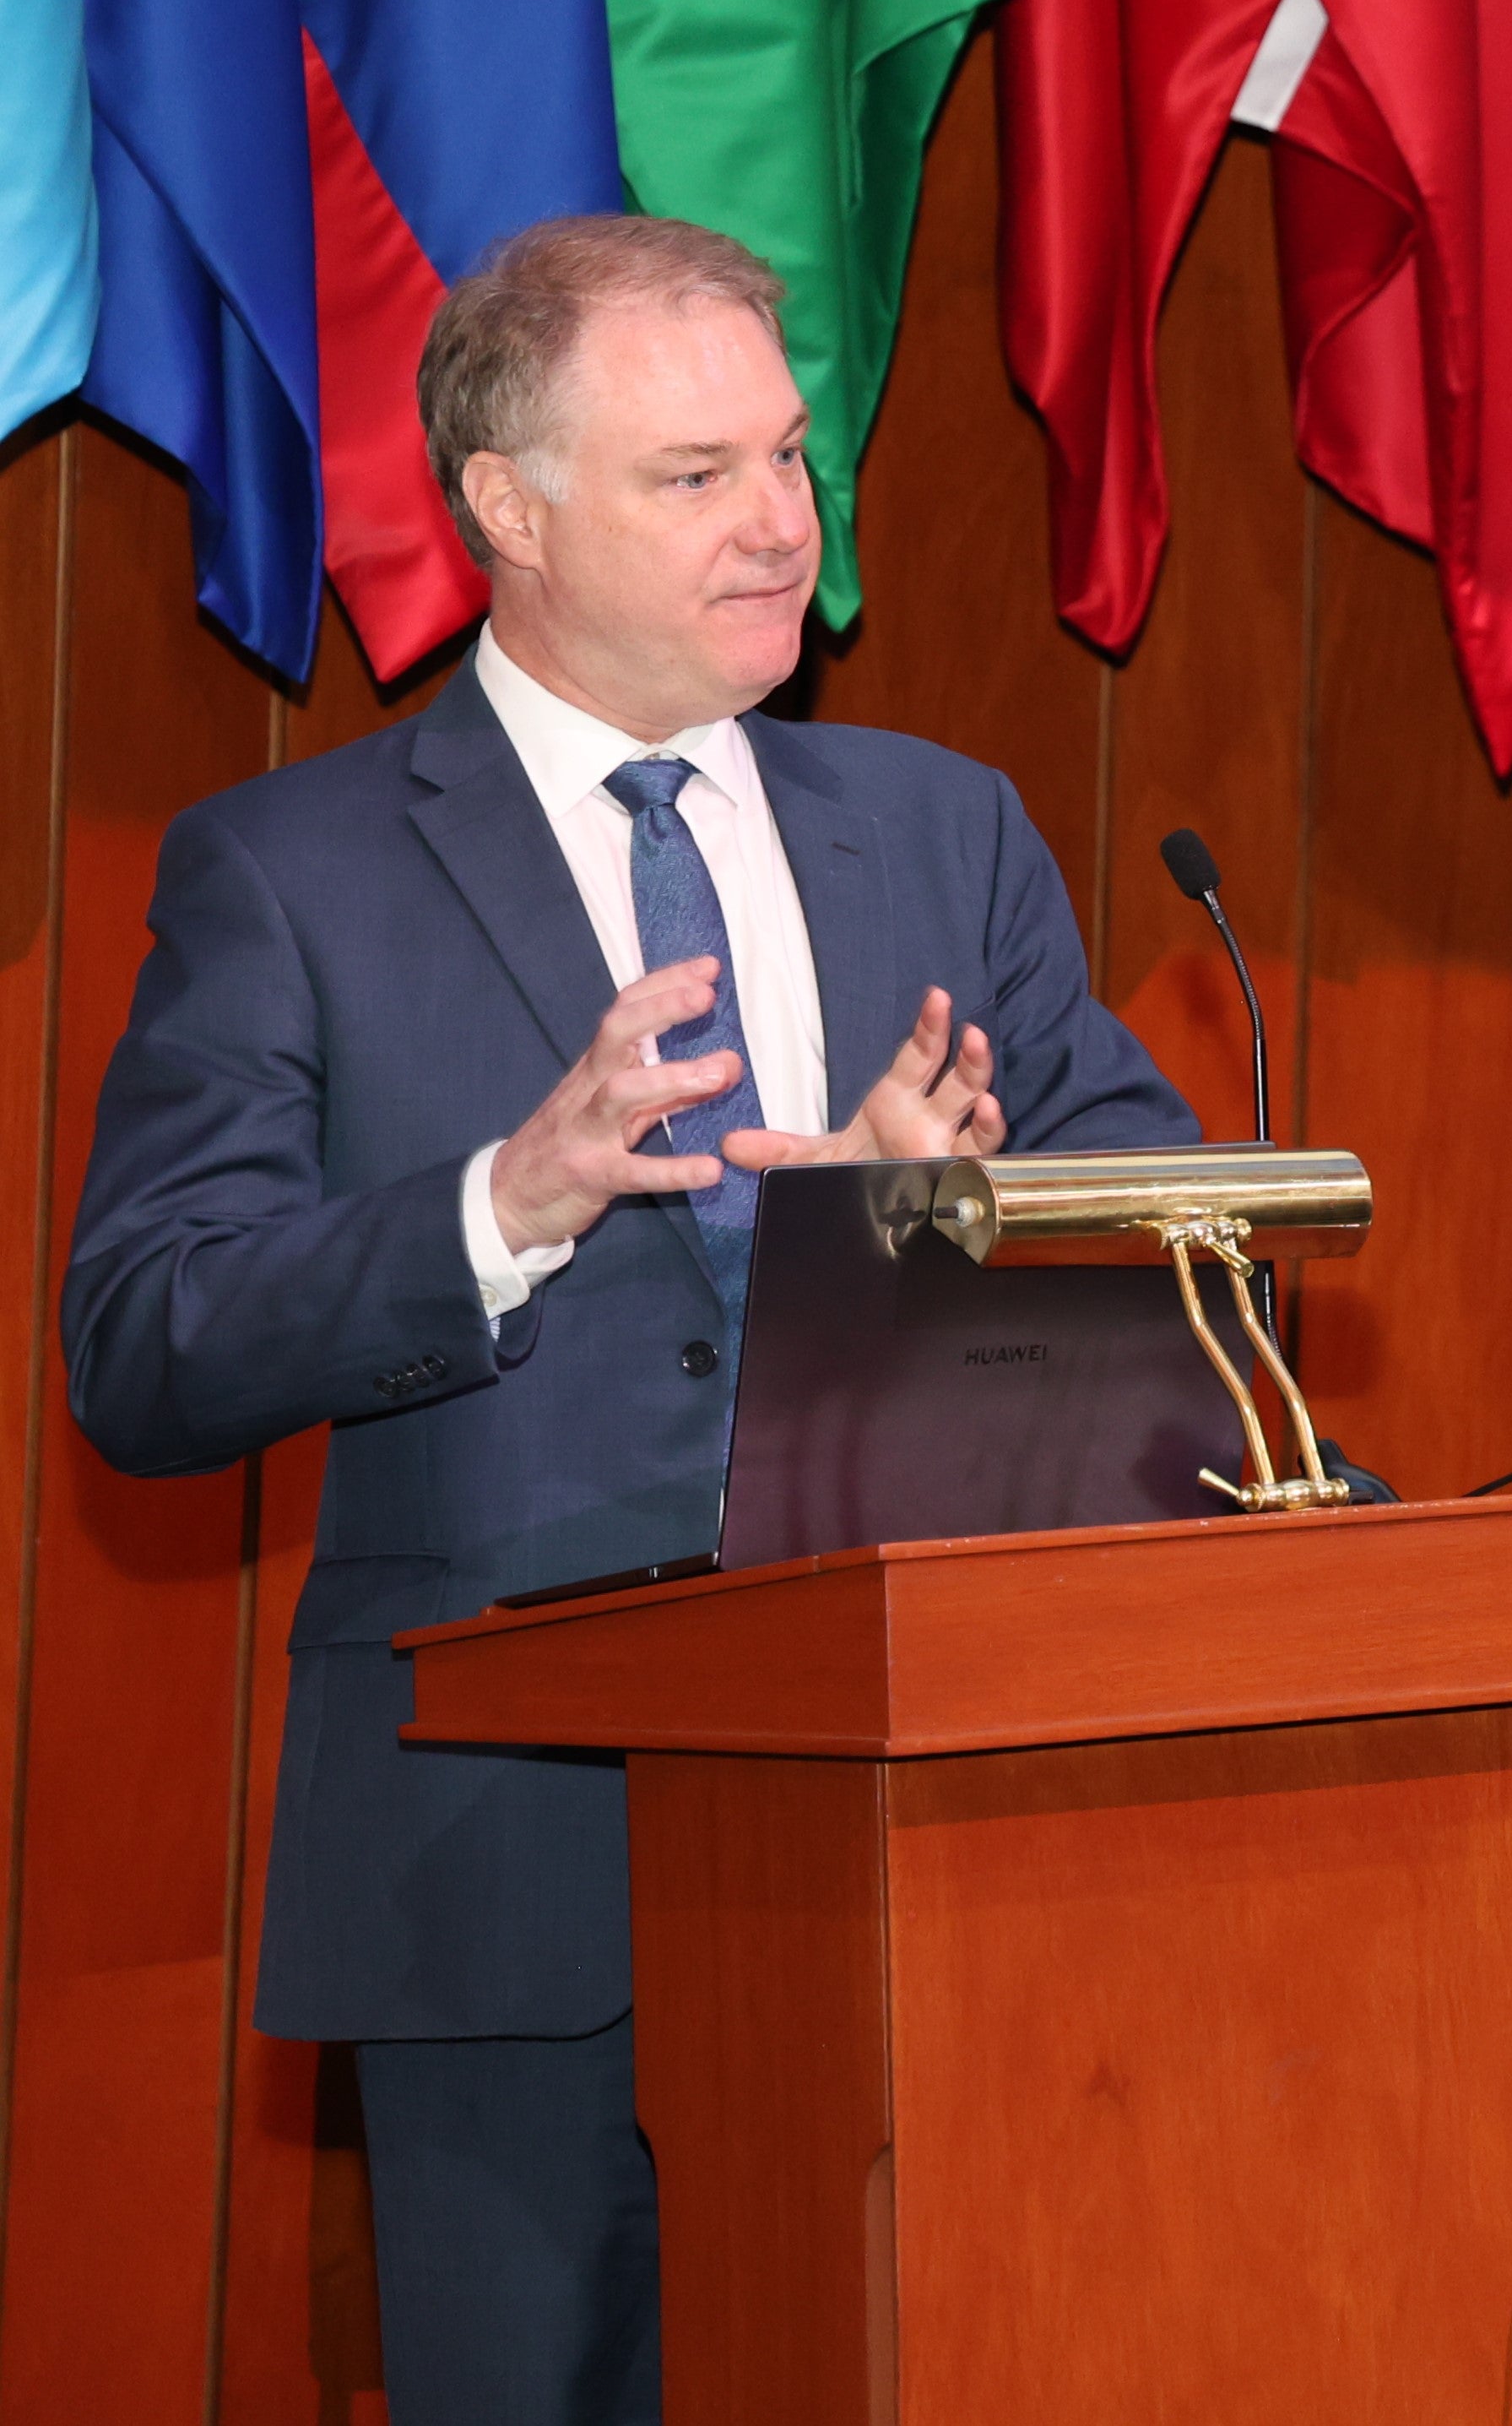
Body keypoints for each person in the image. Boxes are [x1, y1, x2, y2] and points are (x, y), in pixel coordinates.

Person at [61, 218, 1194, 2426]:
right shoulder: (290, 873)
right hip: (503, 1879)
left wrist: (929, 1220)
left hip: (916, 1848)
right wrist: (511, 1196)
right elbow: (149, 1336)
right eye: (698, 475)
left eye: (789, 456)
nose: (783, 519)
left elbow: (1159, 1242)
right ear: (510, 505)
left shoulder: (942, 834)